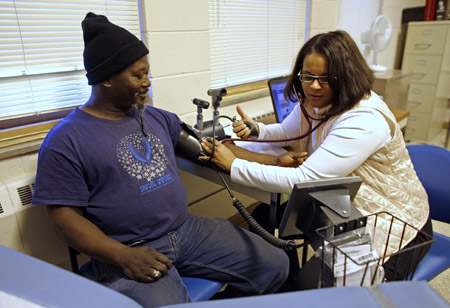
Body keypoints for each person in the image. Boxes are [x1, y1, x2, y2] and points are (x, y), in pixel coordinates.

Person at [31, 12, 289, 308]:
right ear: (107, 78)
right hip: (127, 247)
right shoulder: (65, 140)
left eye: (147, 72)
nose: (147, 82)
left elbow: (209, 150)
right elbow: (64, 220)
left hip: (187, 231)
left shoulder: (154, 117)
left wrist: (276, 161)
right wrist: (122, 256)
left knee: (275, 263)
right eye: (138, 75)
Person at [201, 30, 432, 288]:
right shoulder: (315, 101)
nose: (314, 86)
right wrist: (258, 130)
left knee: (314, 287)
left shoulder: (364, 120)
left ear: (346, 76)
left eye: (325, 78)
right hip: (342, 208)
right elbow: (290, 131)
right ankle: (282, 287)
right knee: (265, 219)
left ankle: (297, 290)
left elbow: (304, 179)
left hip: (391, 225)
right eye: (307, 76)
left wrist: (234, 165)